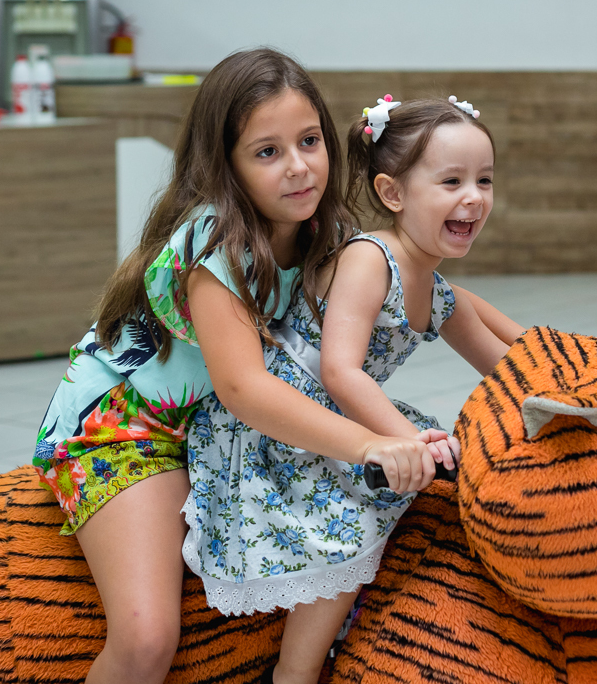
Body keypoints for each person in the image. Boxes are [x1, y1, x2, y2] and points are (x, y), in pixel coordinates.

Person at [31, 49, 444, 684]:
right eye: (267, 152)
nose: (299, 167)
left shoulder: (322, 233)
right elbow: (246, 388)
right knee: (146, 638)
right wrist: (372, 443)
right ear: (225, 166)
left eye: (309, 141)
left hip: (217, 430)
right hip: (125, 431)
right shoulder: (215, 239)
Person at [184, 94, 525, 684]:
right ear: (393, 195)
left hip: (342, 411)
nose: (473, 196)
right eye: (451, 181)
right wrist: (402, 442)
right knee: (353, 519)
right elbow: (340, 370)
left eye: (484, 180)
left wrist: (576, 378)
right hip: (284, 417)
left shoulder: (436, 291)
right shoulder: (374, 258)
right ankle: (294, 674)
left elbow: (516, 363)